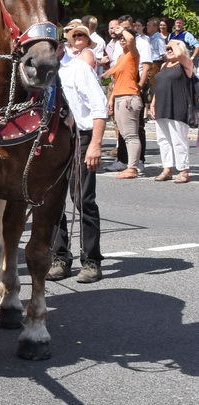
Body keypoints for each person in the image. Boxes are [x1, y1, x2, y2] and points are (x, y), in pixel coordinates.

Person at [49, 37, 108, 284]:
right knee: (51, 204)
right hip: (51, 140)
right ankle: (60, 258)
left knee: (83, 201)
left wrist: (95, 144)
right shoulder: (42, 72)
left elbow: (99, 107)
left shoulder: (78, 69)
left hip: (79, 138)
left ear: (61, 47)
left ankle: (92, 261)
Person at [151, 39, 195, 183]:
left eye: (171, 48)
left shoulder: (185, 64)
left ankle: (183, 170)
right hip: (162, 106)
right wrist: (153, 102)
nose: (169, 50)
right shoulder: (164, 65)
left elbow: (180, 54)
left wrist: (173, 42)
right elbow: (159, 85)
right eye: (167, 48)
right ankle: (167, 169)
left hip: (177, 105)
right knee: (163, 140)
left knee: (178, 140)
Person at [106, 26, 144, 179]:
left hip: (129, 97)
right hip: (120, 96)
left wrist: (122, 30)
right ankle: (130, 165)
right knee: (123, 134)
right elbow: (112, 78)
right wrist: (111, 98)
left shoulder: (133, 54)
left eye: (123, 38)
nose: (122, 40)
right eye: (119, 38)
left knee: (130, 135)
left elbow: (130, 39)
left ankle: (133, 168)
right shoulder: (121, 57)